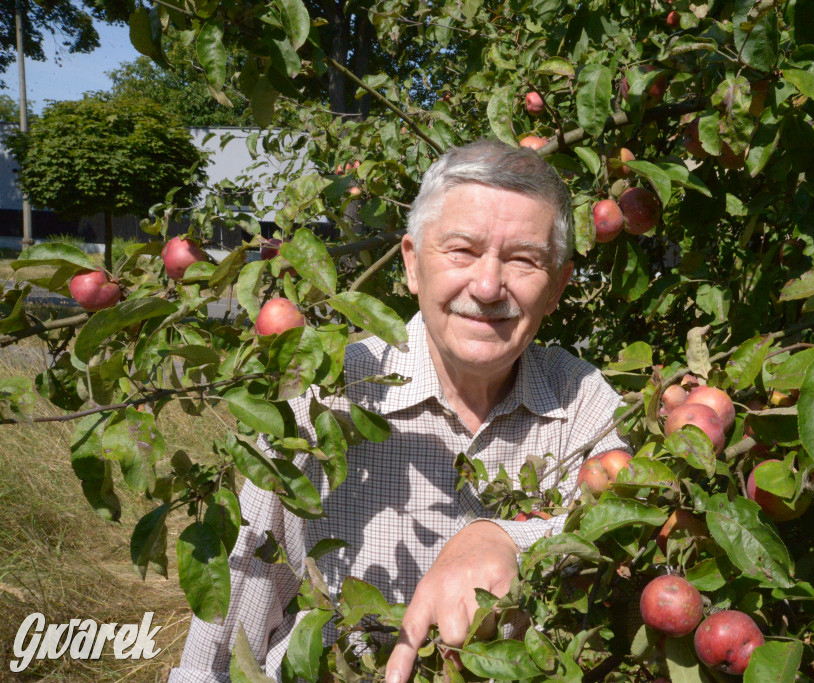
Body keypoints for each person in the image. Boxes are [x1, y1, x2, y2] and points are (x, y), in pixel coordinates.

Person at [169, 140, 629, 683]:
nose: (486, 287)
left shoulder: (584, 402)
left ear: (557, 289)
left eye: (524, 260)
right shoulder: (323, 398)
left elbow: (625, 533)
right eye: (461, 251)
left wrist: (504, 538)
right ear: (412, 264)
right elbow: (226, 634)